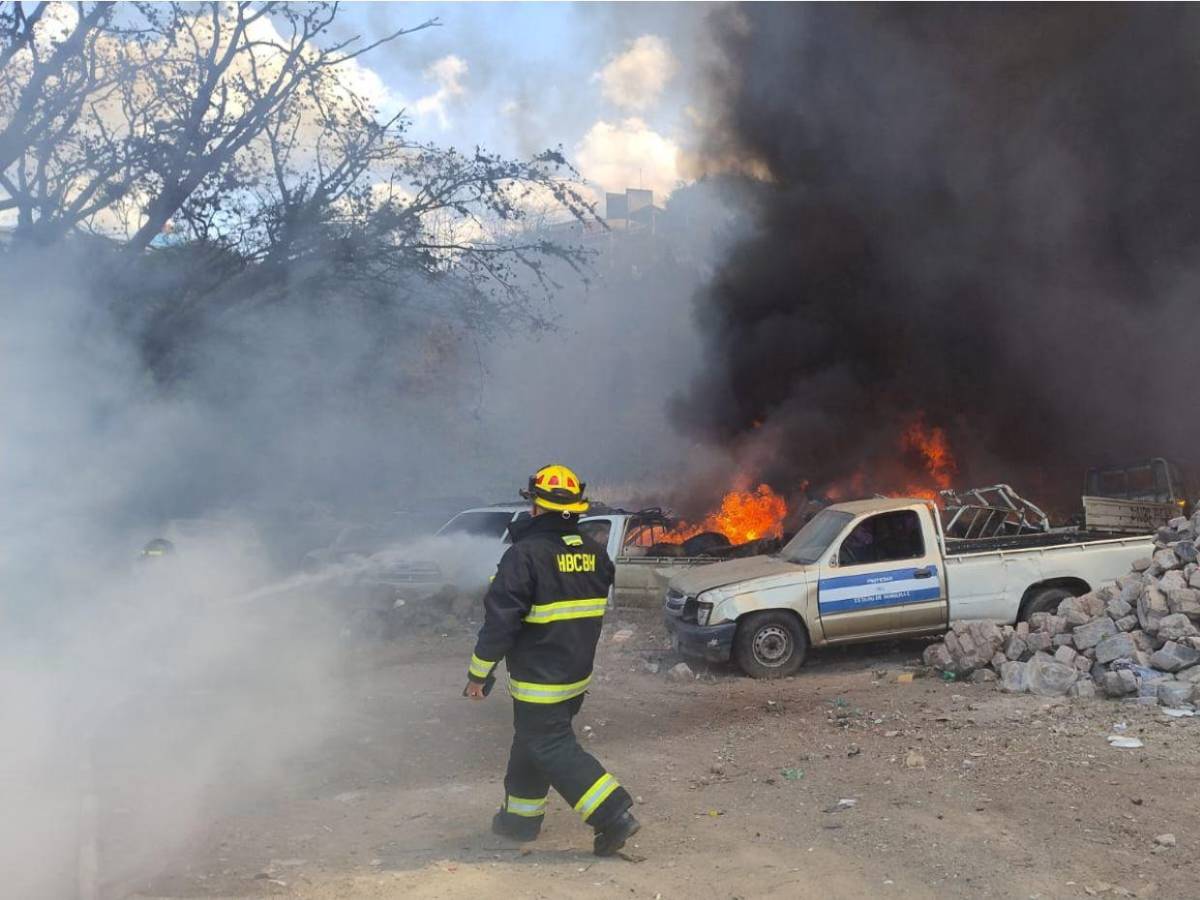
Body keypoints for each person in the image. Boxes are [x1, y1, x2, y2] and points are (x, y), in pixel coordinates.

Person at [464, 464, 640, 856]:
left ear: (537, 508)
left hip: (539, 678)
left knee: (549, 743)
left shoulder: (524, 556)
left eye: (533, 504)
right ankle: (520, 820)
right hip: (574, 676)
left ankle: (613, 814)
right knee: (531, 742)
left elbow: (500, 624)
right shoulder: (595, 554)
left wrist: (478, 674)